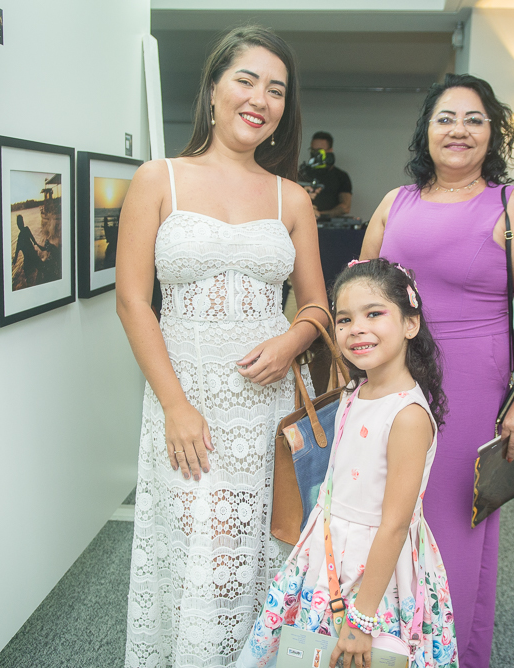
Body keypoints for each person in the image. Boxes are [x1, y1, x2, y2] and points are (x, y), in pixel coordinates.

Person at [115, 26, 327, 668]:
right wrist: (176, 407)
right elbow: (132, 302)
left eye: (276, 90)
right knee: (194, 556)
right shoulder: (161, 180)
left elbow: (319, 306)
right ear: (213, 88)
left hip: (266, 414)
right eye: (246, 79)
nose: (260, 98)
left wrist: (292, 339)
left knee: (258, 548)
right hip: (189, 409)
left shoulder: (293, 198)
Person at [360, 73, 514, 667]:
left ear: (492, 132)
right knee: (385, 509)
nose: (459, 130)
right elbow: (361, 285)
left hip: (470, 386)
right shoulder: (397, 202)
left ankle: (442, 653)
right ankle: (389, 641)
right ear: (428, 130)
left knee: (446, 522)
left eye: (474, 119)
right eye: (446, 118)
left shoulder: (510, 206)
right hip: (395, 376)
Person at [238, 259, 457, 668]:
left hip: (375, 574)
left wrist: (362, 618)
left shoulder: (407, 416)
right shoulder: (354, 393)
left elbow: (394, 524)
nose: (356, 327)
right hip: (328, 549)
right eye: (344, 319)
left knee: (358, 653)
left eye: (374, 314)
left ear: (411, 324)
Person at [304, 131, 352, 218]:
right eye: (313, 150)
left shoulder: (341, 176)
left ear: (330, 151)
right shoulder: (302, 173)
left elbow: (345, 207)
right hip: (304, 222)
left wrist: (319, 215)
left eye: (319, 151)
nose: (315, 154)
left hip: (330, 228)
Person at [13, 214, 48, 288]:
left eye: (21, 222)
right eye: (19, 223)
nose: (20, 224)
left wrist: (40, 247)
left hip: (31, 257)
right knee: (39, 272)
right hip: (30, 259)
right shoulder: (23, 233)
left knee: (31, 278)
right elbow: (16, 251)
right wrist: (15, 259)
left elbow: (34, 242)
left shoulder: (24, 232)